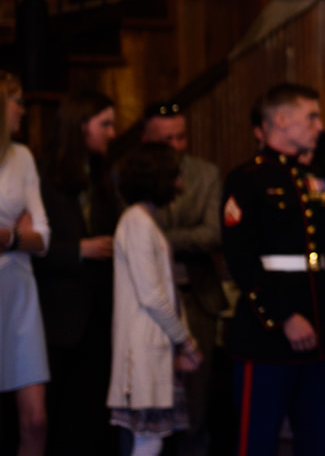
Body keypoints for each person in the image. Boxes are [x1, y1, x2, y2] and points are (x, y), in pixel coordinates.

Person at [222, 84, 325, 456]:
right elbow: (240, 258)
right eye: (312, 116)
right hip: (268, 333)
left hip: (319, 325)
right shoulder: (248, 178)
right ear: (282, 121)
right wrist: (285, 316)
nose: (319, 126)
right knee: (257, 441)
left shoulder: (311, 178)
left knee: (317, 440)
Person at [35, 91, 121, 456]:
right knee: (59, 416)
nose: (113, 133)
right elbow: (25, 246)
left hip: (99, 315)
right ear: (81, 125)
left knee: (92, 417)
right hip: (57, 317)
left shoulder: (101, 175)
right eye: (106, 124)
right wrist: (78, 250)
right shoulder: (43, 175)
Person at [139, 101, 224, 456]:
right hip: (147, 305)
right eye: (166, 139)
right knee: (151, 408)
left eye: (181, 136)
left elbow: (211, 235)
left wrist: (157, 240)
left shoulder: (204, 173)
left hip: (196, 296)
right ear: (146, 139)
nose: (176, 146)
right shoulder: (129, 175)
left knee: (195, 406)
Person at [108, 143, 202, 456]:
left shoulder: (146, 221)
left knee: (153, 442)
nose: (180, 184)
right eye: (175, 176)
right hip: (143, 349)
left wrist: (179, 341)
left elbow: (166, 292)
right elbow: (152, 295)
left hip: (156, 347)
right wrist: (185, 340)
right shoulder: (136, 221)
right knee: (146, 444)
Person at [0, 72, 50, 456]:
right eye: (17, 101)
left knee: (35, 420)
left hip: (19, 289)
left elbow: (43, 237)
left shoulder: (22, 157)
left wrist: (13, 238)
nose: (24, 110)